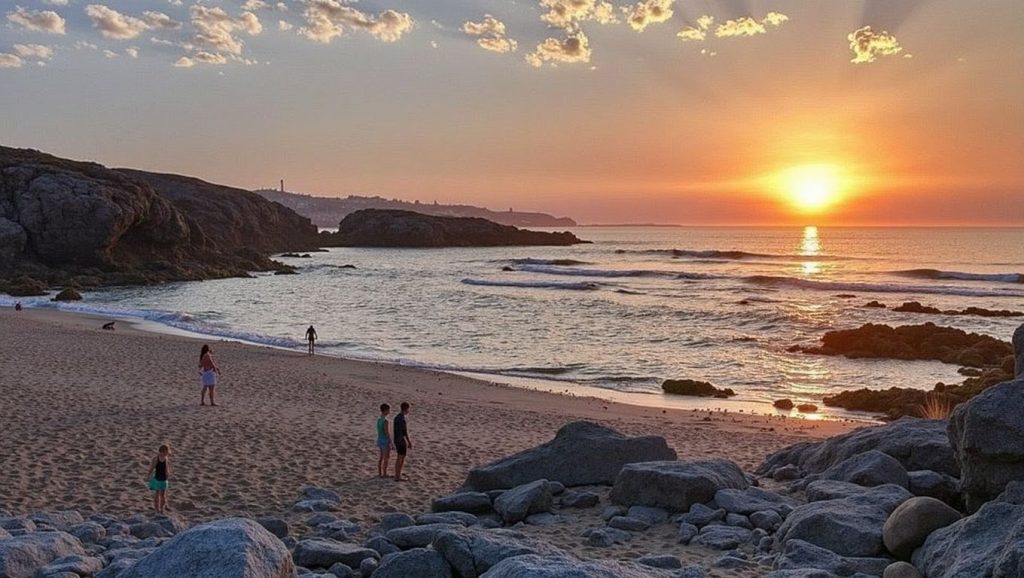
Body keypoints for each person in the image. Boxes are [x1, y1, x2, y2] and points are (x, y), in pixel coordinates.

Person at [146, 444, 172, 514]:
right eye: (167, 451)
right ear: (163, 451)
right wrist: (148, 475)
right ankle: (157, 509)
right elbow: (152, 468)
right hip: (157, 479)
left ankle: (162, 508)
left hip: (164, 479)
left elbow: (166, 468)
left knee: (163, 495)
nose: (168, 452)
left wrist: (167, 473)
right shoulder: (156, 459)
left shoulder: (166, 458)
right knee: (157, 495)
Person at [393, 402, 412, 482]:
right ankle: (397, 476)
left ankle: (397, 474)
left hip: (396, 439)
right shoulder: (402, 419)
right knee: (401, 458)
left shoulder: (396, 417)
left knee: (399, 457)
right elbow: (405, 432)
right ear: (406, 409)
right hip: (401, 440)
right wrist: (409, 442)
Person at [376, 404, 392, 478]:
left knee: (381, 457)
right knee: (386, 458)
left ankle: (379, 473)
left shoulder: (379, 419)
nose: (389, 411)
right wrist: (390, 441)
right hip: (384, 440)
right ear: (385, 410)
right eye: (388, 410)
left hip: (379, 439)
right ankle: (384, 473)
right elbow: (386, 432)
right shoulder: (385, 421)